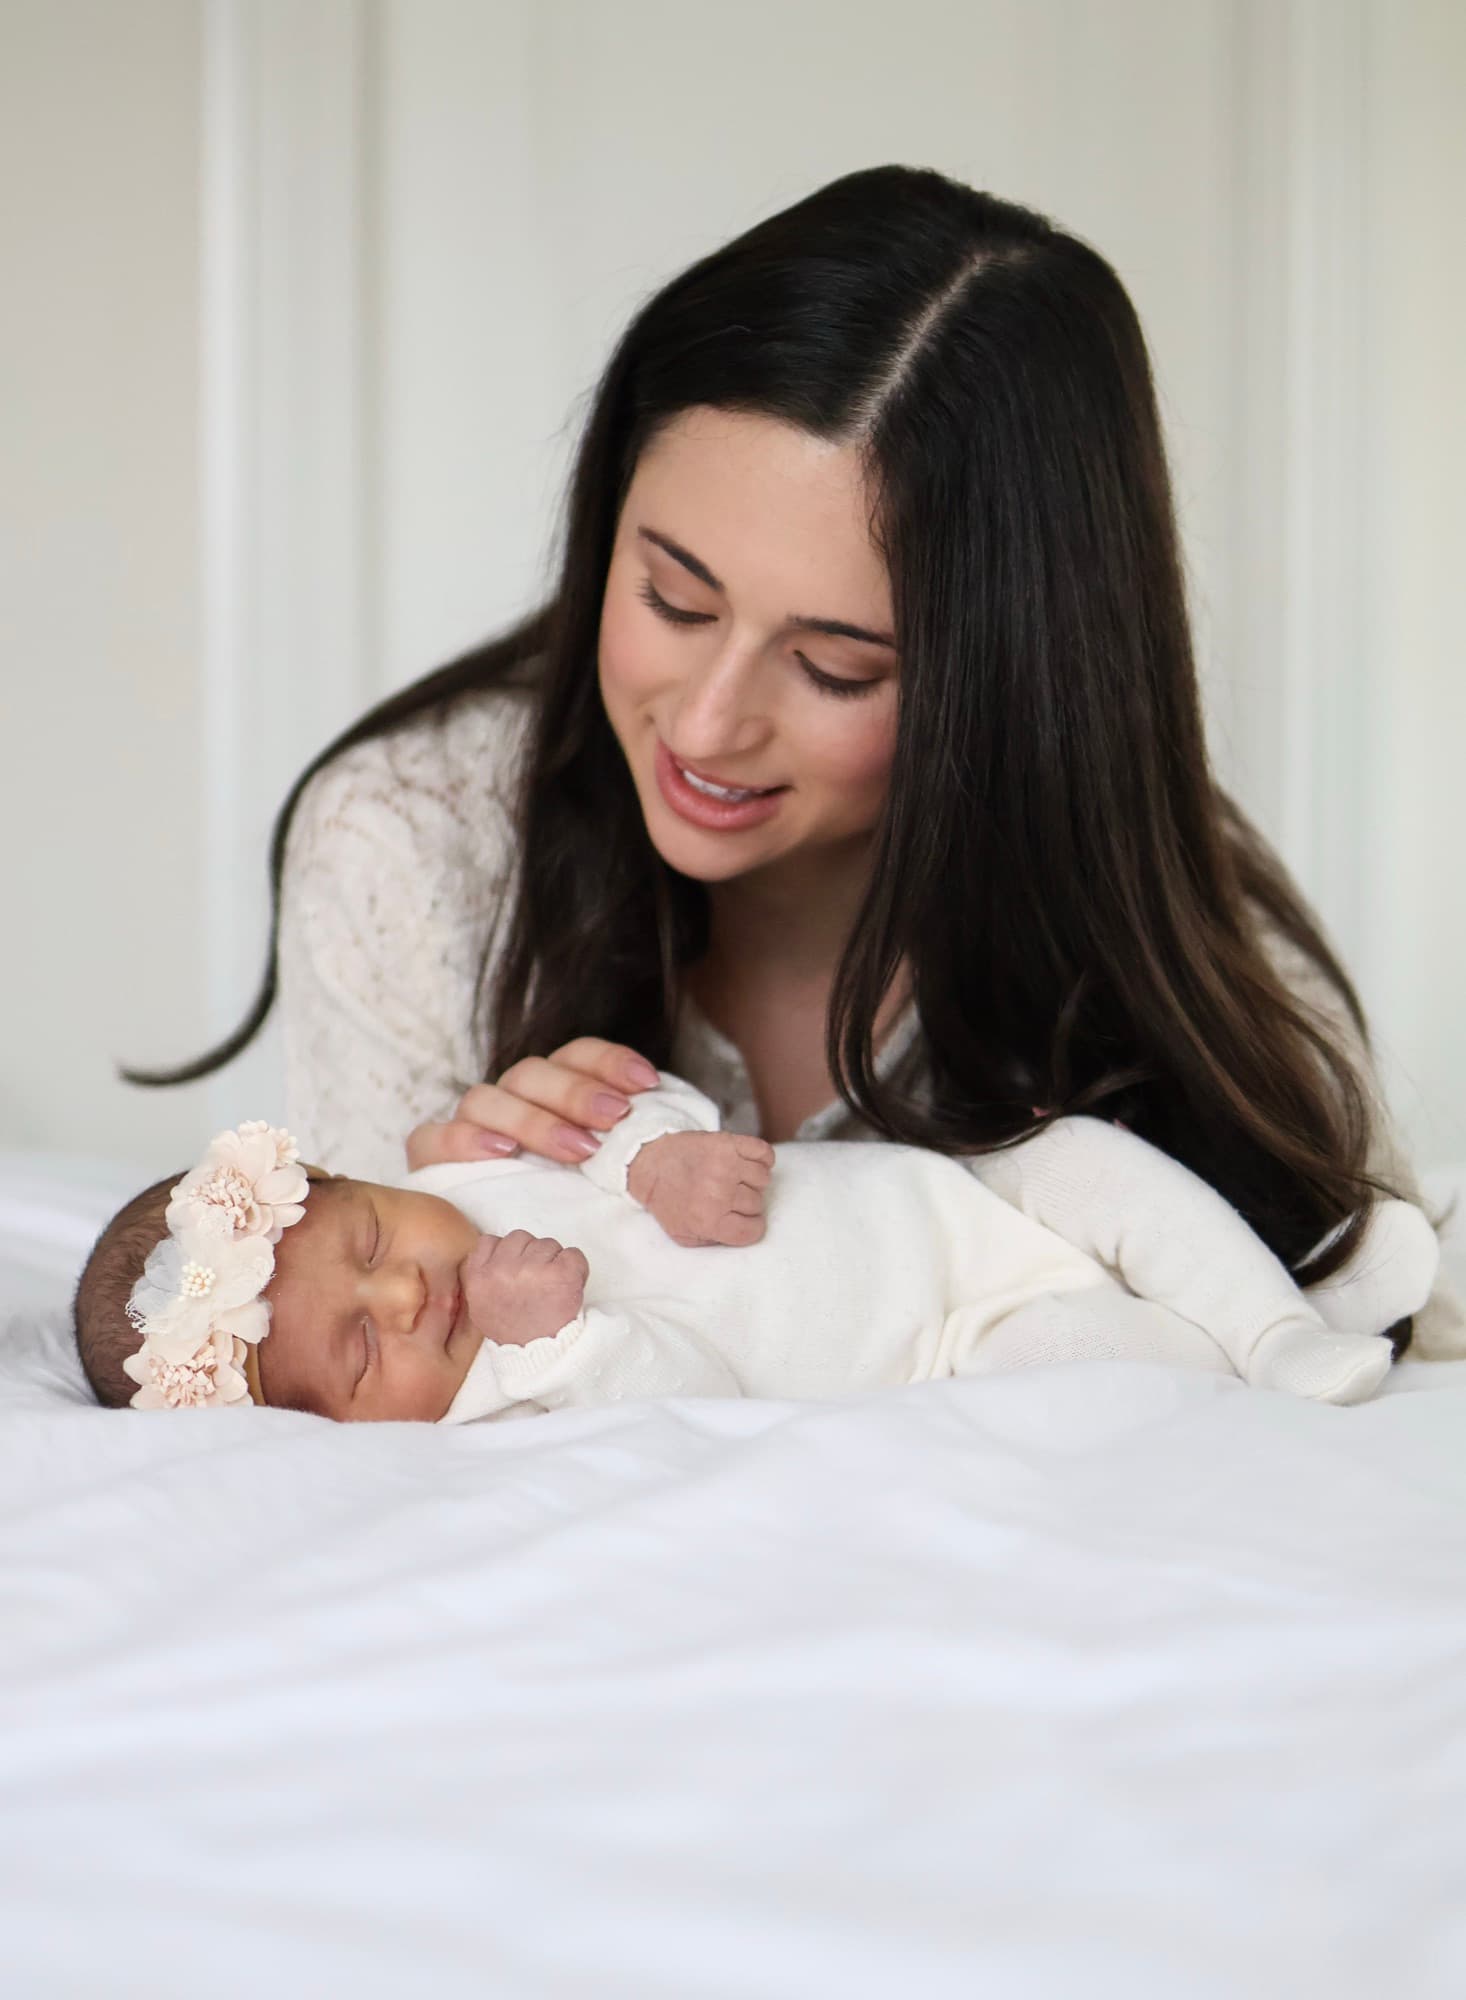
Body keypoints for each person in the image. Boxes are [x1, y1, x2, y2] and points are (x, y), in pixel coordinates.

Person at [124, 164, 1465, 1358]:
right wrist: (454, 1204)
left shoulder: (1169, 928)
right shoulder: (412, 846)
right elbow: (365, 1427)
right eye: (673, 600)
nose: (706, 725)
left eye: (835, 667)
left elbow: (1377, 1336)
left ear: (1003, 687)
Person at [75, 1086, 1440, 1426]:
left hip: (961, 1201)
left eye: (369, 1241)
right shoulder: (501, 1404)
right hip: (952, 1343)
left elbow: (615, 1108)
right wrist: (560, 1336)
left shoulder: (462, 1164)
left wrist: (657, 1147)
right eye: (361, 1350)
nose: (405, 1293)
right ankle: (1301, 1345)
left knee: (1083, 1154)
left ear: (362, 1175)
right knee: (1089, 1369)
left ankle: (1282, 1325)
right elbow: (688, 1401)